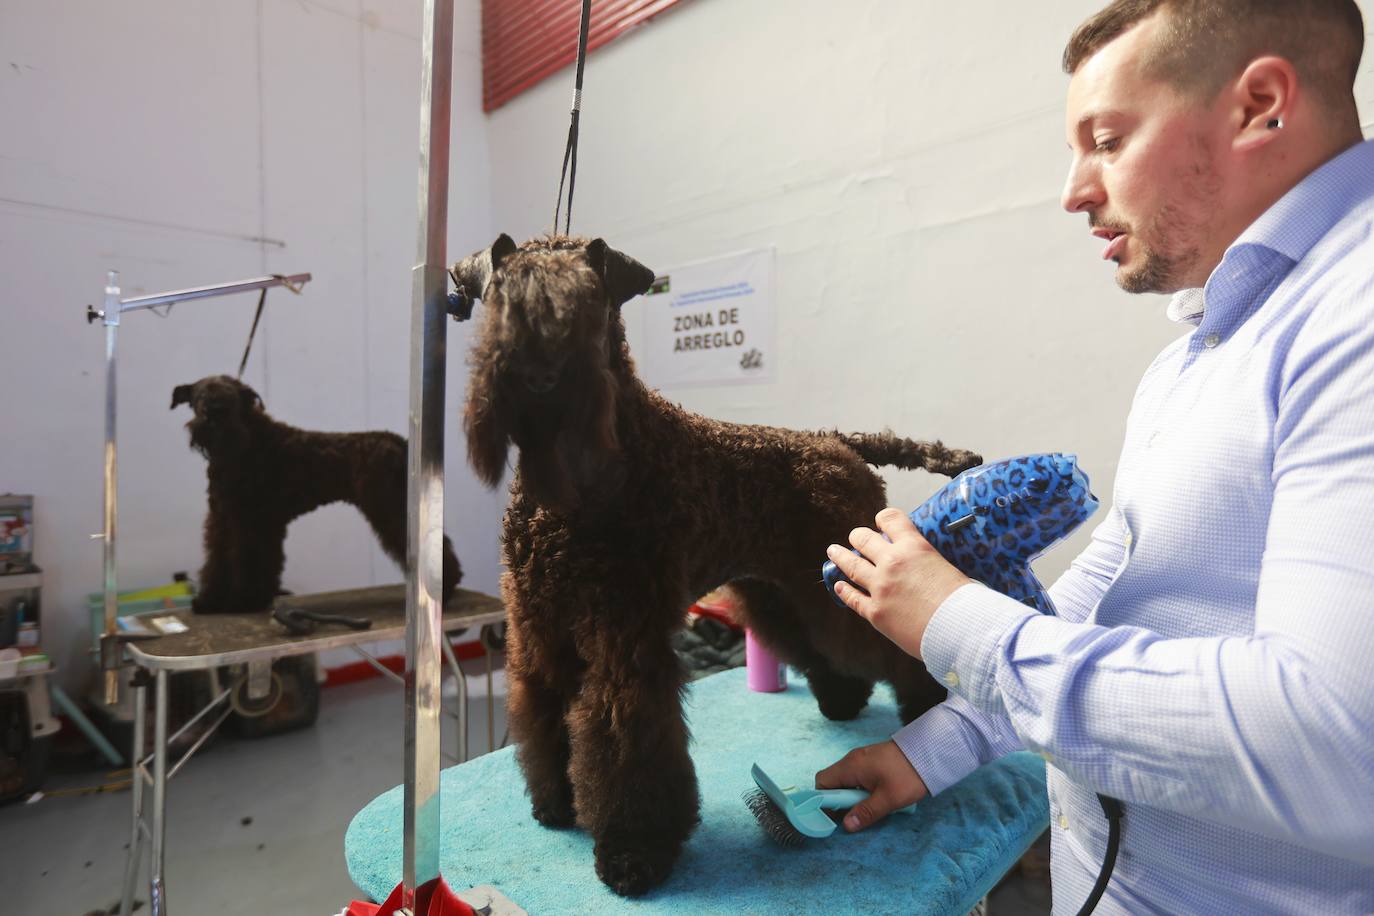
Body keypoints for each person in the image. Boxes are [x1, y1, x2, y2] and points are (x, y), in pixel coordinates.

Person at [818, 0, 1374, 911]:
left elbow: (1338, 745)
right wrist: (934, 749)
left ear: (1260, 103)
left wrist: (957, 624)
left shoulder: (1355, 311)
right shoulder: (1198, 350)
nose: (1075, 191)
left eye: (1107, 141)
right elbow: (1117, 589)